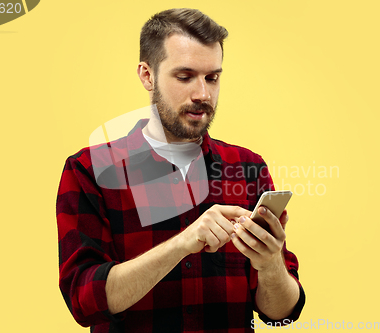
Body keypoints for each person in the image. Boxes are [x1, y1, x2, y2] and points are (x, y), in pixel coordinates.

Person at [56, 8, 305, 332]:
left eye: (212, 77)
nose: (203, 94)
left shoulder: (247, 168)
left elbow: (281, 314)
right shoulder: (90, 170)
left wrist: (270, 263)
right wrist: (182, 243)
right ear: (147, 75)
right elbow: (84, 301)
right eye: (185, 76)